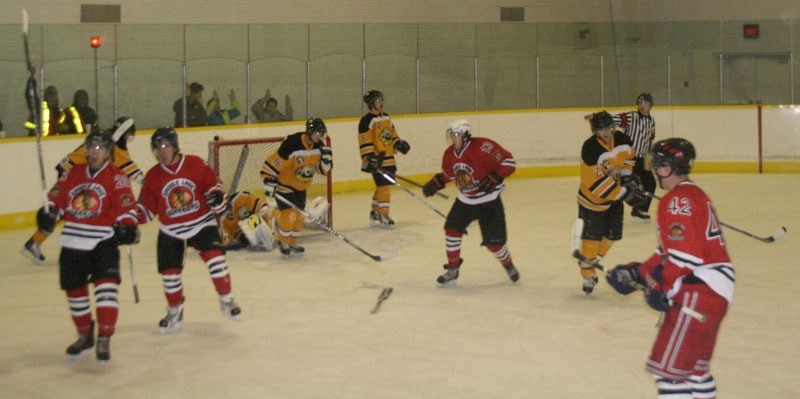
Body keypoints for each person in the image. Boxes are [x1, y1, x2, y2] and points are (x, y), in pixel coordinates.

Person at [606, 138, 734, 399]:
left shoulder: (677, 201)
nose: (654, 168)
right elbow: (668, 255)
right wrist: (637, 272)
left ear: (668, 167)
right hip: (714, 293)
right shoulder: (692, 195)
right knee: (695, 373)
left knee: (669, 376)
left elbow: (685, 257)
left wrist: (660, 285)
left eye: (658, 163)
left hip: (698, 292)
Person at [34, 131, 140, 362]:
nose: (94, 152)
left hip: (103, 240)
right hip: (72, 241)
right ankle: (85, 334)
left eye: (100, 148)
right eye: (91, 147)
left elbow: (126, 206)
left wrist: (129, 225)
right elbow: (58, 199)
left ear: (108, 151)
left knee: (106, 290)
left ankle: (104, 336)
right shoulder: (73, 174)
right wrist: (49, 212)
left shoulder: (118, 176)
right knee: (75, 294)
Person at [136, 127, 241, 333]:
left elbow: (214, 184)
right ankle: (175, 310)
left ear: (175, 146)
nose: (162, 151)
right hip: (171, 229)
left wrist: (217, 196)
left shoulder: (195, 164)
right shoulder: (153, 176)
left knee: (216, 259)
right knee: (169, 274)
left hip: (201, 222)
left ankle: (227, 300)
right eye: (158, 147)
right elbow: (145, 209)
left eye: (165, 146)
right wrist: (127, 221)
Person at [21, 117, 142, 264]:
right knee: (70, 211)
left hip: (71, 170)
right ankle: (35, 242)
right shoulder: (114, 145)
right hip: (75, 175)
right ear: (127, 133)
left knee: (68, 212)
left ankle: (35, 241)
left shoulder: (105, 138)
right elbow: (134, 172)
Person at [421, 119, 519, 286]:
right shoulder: (449, 154)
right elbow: (450, 175)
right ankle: (453, 269)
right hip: (465, 200)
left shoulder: (483, 146)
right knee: (452, 230)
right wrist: (436, 183)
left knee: (495, 244)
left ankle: (507, 263)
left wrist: (495, 177)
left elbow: (509, 163)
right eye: (452, 135)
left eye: (457, 134)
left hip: (489, 201)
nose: (453, 138)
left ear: (466, 135)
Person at [575, 110, 641, 295]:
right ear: (594, 130)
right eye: (600, 129)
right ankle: (588, 274)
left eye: (608, 128)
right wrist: (622, 193)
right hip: (591, 201)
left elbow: (629, 158)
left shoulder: (621, 139)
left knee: (612, 235)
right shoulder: (590, 149)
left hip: (613, 198)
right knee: (590, 240)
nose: (605, 133)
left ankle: (590, 260)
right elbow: (593, 183)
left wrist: (628, 177)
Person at [260, 118, 332, 257]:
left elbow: (322, 171)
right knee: (289, 214)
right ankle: (283, 241)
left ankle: (292, 242)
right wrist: (269, 178)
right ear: (310, 131)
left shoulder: (319, 146)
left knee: (299, 216)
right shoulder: (292, 143)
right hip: (284, 185)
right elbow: (274, 161)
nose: (320, 136)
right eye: (318, 133)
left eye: (322, 133)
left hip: (301, 186)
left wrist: (326, 161)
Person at [358, 90, 410, 227]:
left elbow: (392, 134)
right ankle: (383, 214)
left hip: (389, 157)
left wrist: (398, 143)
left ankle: (375, 211)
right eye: (378, 100)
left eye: (381, 100)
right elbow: (364, 140)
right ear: (371, 103)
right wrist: (369, 157)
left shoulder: (386, 117)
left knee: (384, 186)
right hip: (377, 159)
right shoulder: (366, 120)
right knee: (384, 186)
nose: (381, 103)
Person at [614, 93, 657, 222]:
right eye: (640, 103)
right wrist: (597, 117)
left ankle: (639, 210)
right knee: (622, 185)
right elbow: (613, 119)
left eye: (645, 103)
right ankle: (612, 212)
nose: (642, 105)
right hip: (628, 159)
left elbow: (650, 140)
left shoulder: (651, 121)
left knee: (650, 183)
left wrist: (649, 157)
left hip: (642, 159)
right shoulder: (631, 117)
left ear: (650, 105)